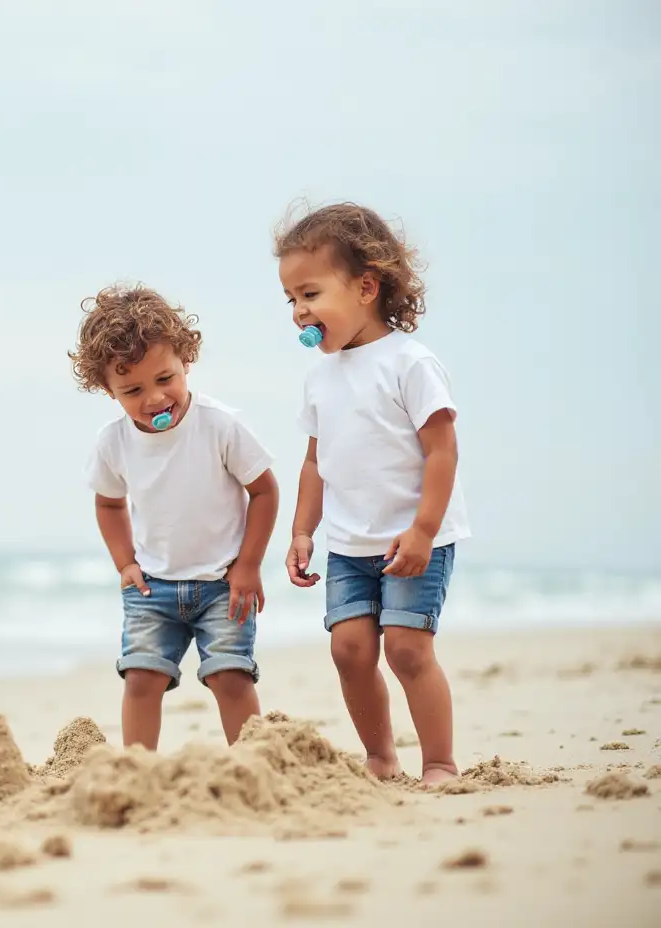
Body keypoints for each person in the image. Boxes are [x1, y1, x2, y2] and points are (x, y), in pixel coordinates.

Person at [278, 202, 471, 785]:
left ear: (366, 286)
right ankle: (381, 757)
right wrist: (302, 531)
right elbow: (315, 463)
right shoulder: (319, 377)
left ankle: (438, 760)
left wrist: (423, 530)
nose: (298, 312)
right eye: (290, 299)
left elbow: (442, 451)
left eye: (309, 294)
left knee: (408, 651)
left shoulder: (410, 363)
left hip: (415, 537)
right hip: (348, 543)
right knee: (350, 651)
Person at [69, 283, 279, 750]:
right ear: (109, 390)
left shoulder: (220, 424)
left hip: (224, 585)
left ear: (186, 359)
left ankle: (253, 763)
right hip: (152, 588)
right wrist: (125, 562)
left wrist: (248, 565)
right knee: (141, 679)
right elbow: (108, 502)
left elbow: (264, 490)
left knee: (231, 677)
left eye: (165, 379)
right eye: (132, 390)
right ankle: (137, 769)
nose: (154, 398)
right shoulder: (114, 441)